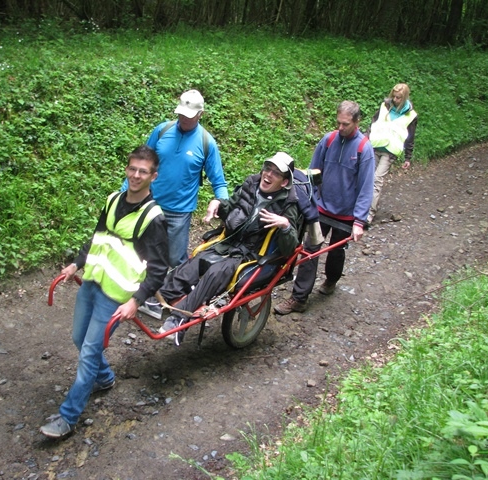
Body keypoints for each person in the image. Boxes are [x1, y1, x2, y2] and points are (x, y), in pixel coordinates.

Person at [40, 145, 170, 439]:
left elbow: (159, 268)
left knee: (89, 351)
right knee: (78, 338)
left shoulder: (153, 218)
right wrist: (76, 264)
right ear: (127, 169)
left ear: (153, 176)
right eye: (132, 168)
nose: (136, 175)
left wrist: (136, 301)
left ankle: (67, 417)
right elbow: (97, 237)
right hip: (92, 281)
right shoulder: (113, 200)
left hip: (115, 295)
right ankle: (105, 378)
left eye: (143, 171)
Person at [158, 152, 303, 345]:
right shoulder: (250, 185)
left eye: (276, 173)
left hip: (250, 256)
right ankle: (160, 297)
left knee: (217, 271)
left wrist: (285, 226)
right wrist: (218, 205)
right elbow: (231, 208)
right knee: (197, 259)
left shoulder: (288, 205)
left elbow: (289, 249)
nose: (268, 174)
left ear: (284, 182)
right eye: (267, 168)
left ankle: (179, 318)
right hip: (228, 243)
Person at [274, 100, 374, 315]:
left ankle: (331, 280)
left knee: (336, 252)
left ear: (357, 122)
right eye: (338, 122)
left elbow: (366, 187)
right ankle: (299, 298)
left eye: (345, 124)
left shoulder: (363, 149)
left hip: (346, 214)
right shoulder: (328, 140)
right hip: (319, 208)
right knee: (309, 251)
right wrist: (306, 201)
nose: (340, 128)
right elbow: (311, 173)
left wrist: (359, 221)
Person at [123, 89, 229, 268]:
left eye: (189, 115)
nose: (184, 118)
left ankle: (179, 292)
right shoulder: (162, 131)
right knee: (142, 253)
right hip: (149, 203)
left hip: (179, 212)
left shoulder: (206, 143)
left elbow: (219, 181)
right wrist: (124, 193)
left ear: (200, 114)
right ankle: (141, 292)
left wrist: (220, 201)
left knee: (174, 259)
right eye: (181, 114)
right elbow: (141, 164)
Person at [366, 83, 418, 224]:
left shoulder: (411, 115)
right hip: (375, 146)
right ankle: (361, 208)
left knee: (377, 179)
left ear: (405, 97)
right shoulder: (384, 106)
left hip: (390, 151)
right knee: (367, 177)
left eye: (399, 98)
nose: (395, 99)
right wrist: (365, 138)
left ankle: (369, 214)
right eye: (394, 96)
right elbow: (373, 123)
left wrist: (408, 157)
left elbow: (410, 137)